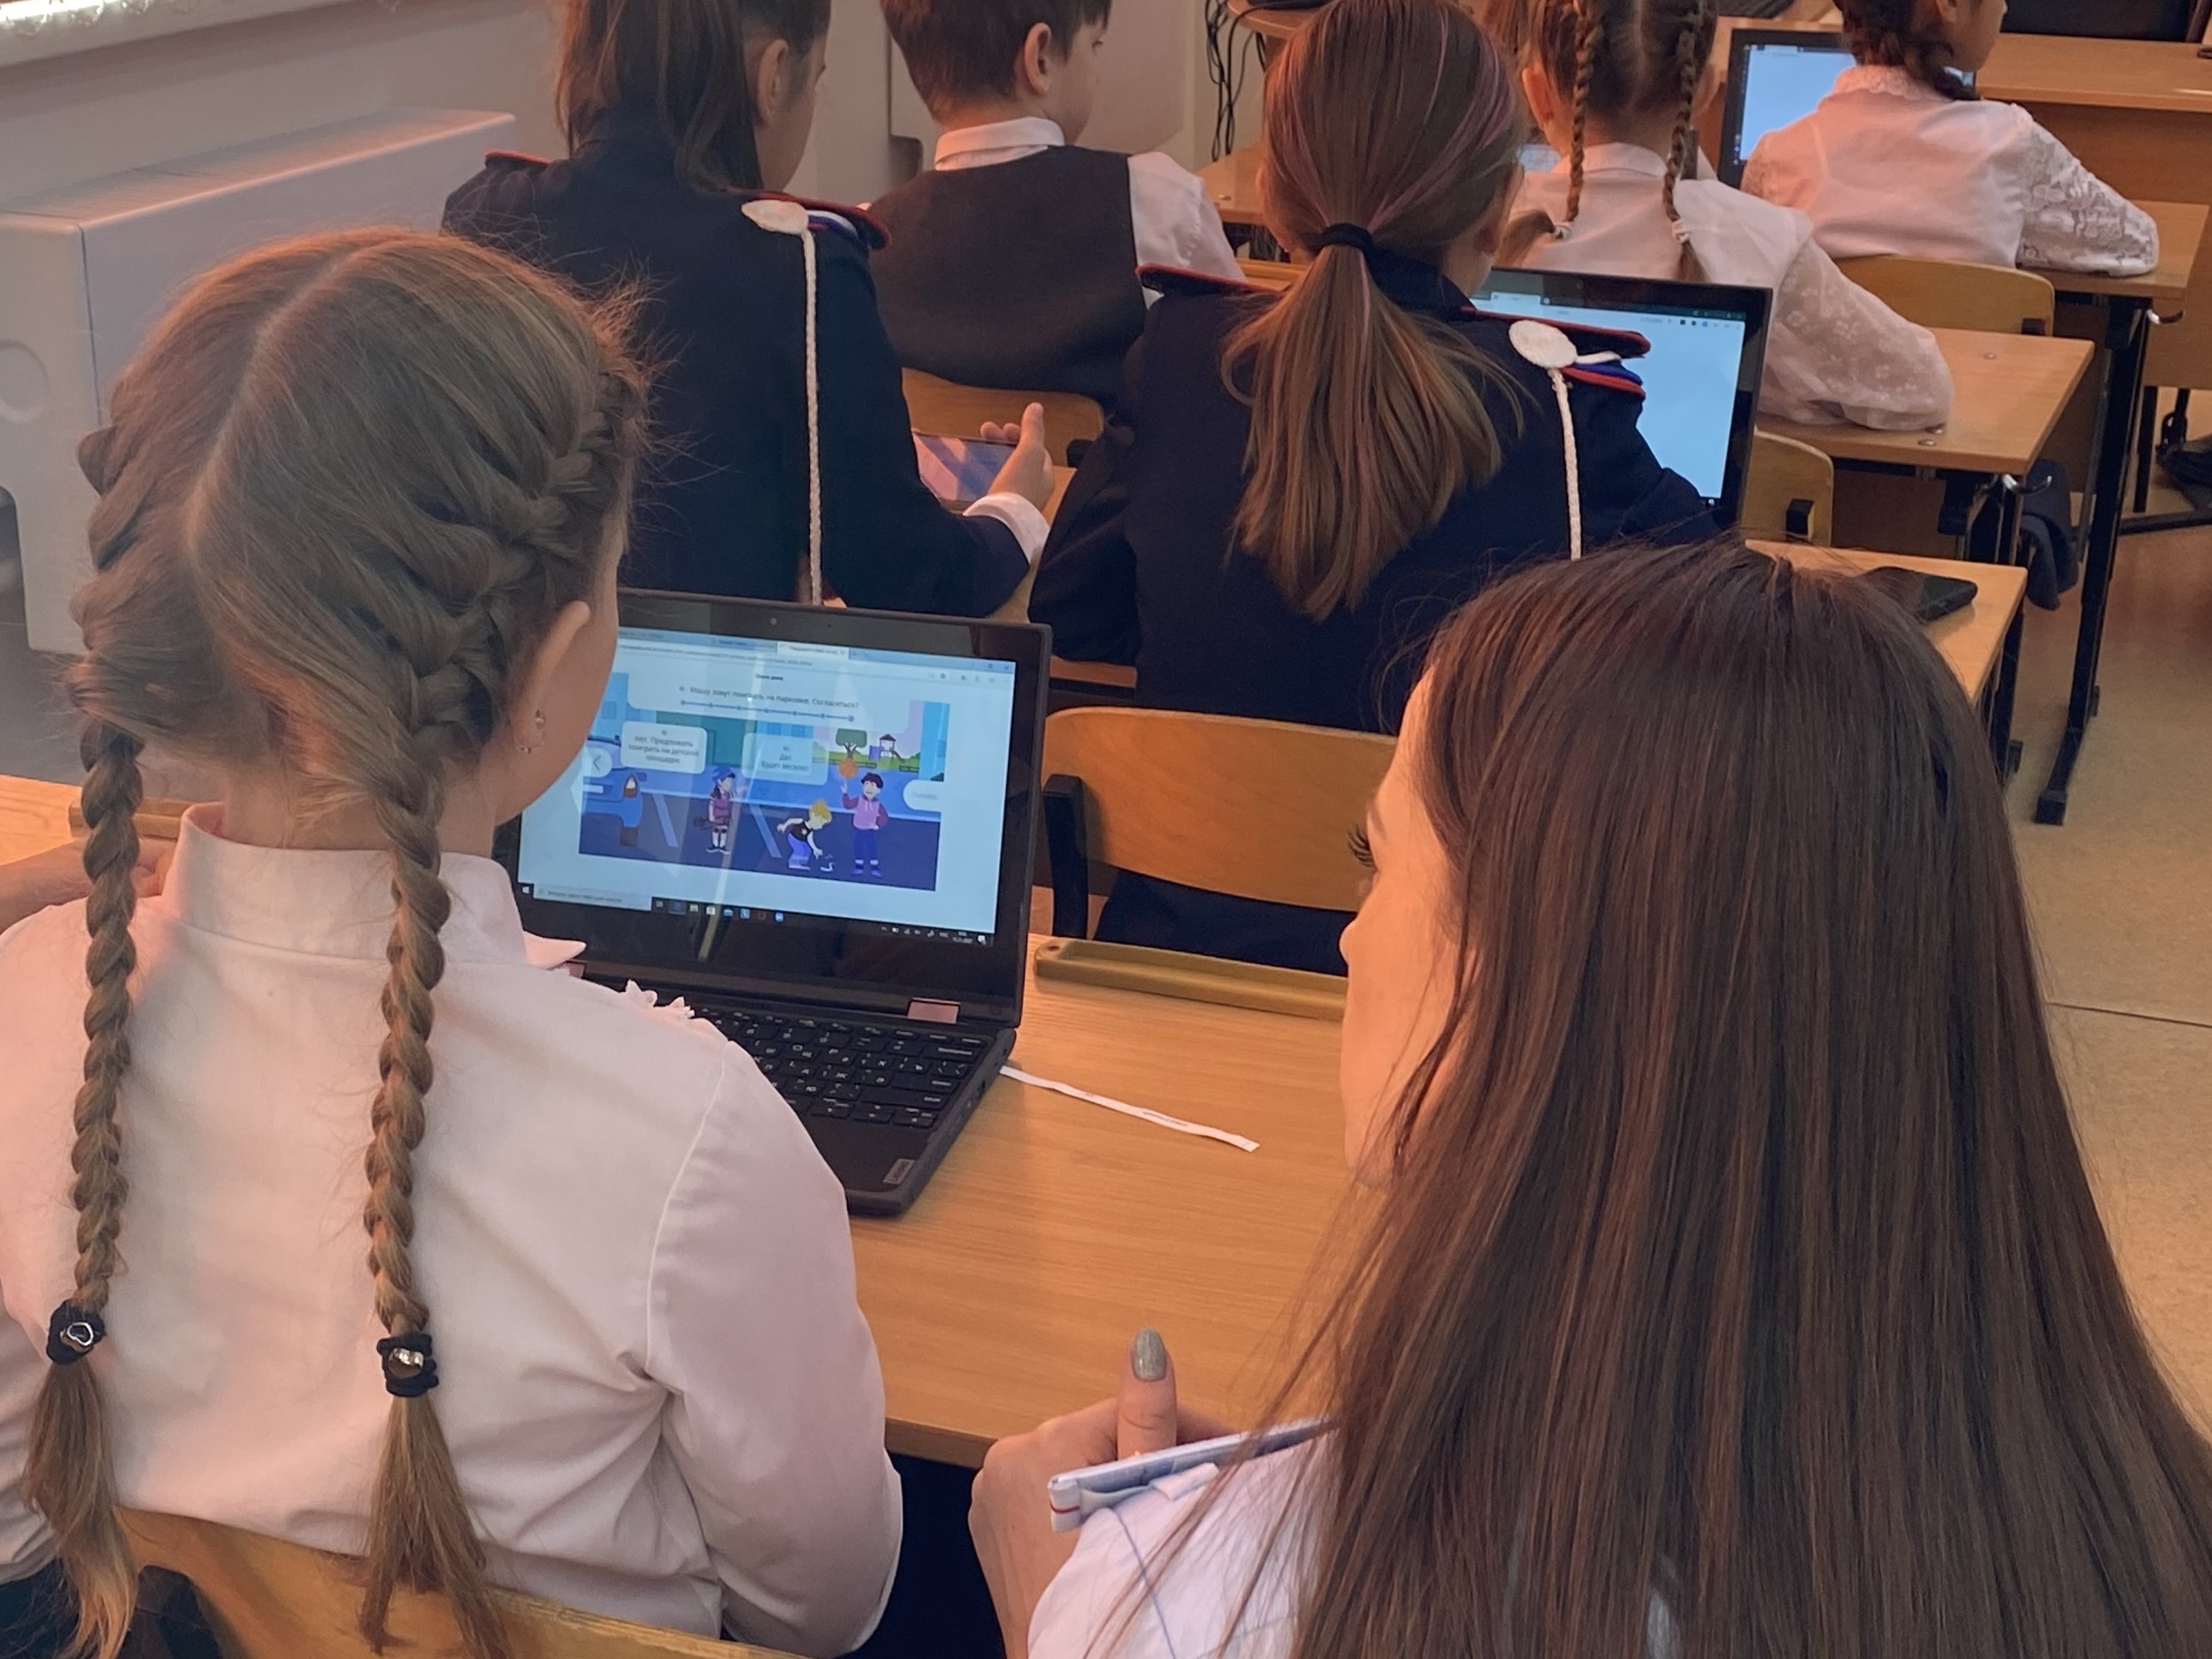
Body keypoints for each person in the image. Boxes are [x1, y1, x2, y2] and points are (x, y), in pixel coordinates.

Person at [971, 541, 2212, 1659]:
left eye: (1374, 861)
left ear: (1518, 975)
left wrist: (1059, 1605)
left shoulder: (1202, 1605)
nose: (1350, 937)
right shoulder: (2154, 1530)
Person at [0, 231, 901, 1659]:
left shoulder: (24, 1015)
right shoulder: (697, 1141)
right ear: (549, 660)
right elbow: (822, 1610)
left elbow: (16, 1531)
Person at [1030, 0, 1708, 972]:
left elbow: (1074, 614)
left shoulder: (1175, 357)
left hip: (1179, 965)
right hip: (1460, 988)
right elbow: (1709, 652)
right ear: (1496, 207)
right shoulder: (1560, 407)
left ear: (1273, 194)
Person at [444, 0, 1056, 611]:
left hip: (497, 664)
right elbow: (912, 581)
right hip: (702, 669)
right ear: (774, 77)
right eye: (815, 83)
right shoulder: (800, 266)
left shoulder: (480, 221)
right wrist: (1015, 509)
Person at [1507, 0, 1952, 430]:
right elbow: (1922, 388)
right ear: (1704, 92)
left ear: (1537, 96)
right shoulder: (1762, 239)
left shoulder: (1487, 225)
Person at [871, 0, 1243, 406]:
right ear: (1041, 59)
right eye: (1095, 45)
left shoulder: (866, 238)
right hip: (1109, 450)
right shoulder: (1158, 200)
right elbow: (1242, 369)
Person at [1742, 0, 2158, 275]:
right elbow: (2139, 245)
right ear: (1951, 5)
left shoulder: (1775, 159)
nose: (2005, 7)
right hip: (1980, 384)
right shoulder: (2009, 143)